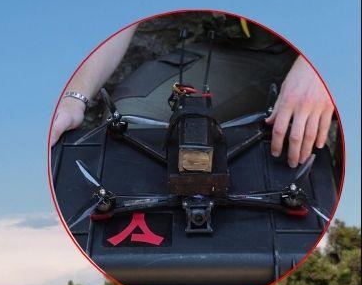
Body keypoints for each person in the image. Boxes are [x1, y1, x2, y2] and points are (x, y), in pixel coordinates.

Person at [49, 16, 335, 170]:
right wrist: (75, 97)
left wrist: (319, 64)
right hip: (245, 51)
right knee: (132, 125)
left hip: (335, 41)